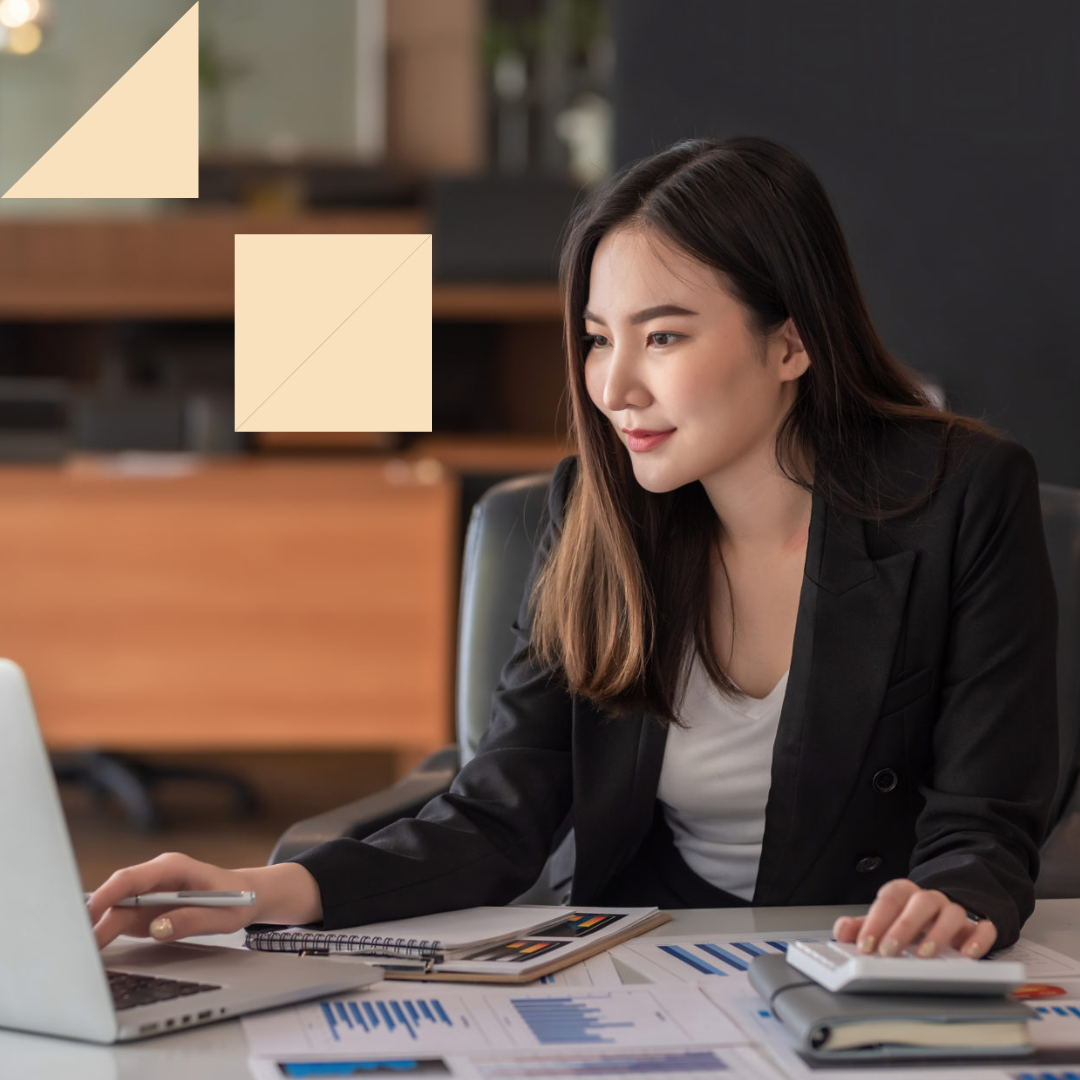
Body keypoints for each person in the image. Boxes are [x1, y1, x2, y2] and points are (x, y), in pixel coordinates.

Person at [88, 135, 1058, 959]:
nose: (615, 386)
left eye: (664, 339)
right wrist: (261, 890)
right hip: (642, 961)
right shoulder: (593, 512)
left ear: (791, 345)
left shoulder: (963, 498)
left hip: (851, 965)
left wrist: (954, 904)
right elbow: (498, 815)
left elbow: (984, 819)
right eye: (598, 339)